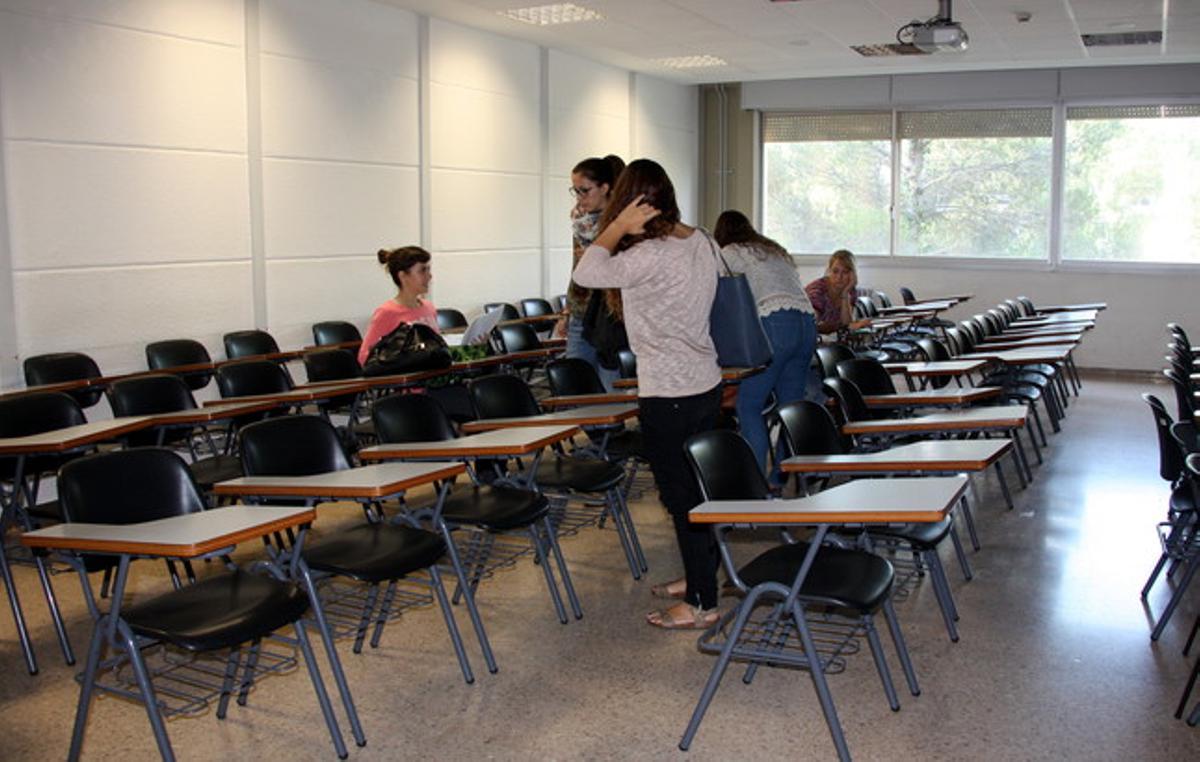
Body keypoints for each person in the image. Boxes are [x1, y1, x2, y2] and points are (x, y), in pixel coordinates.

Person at [573, 158, 723, 630]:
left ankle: (701, 602)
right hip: (704, 382)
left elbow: (587, 274)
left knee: (683, 497)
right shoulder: (697, 239)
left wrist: (615, 226)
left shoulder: (649, 253)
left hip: (669, 390)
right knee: (698, 489)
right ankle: (702, 575)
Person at [713, 210, 818, 481]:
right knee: (789, 407)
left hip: (775, 324)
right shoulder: (772, 250)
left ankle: (755, 483)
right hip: (806, 323)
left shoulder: (730, 251)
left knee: (748, 406)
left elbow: (716, 294)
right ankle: (780, 478)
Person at [558, 155, 626, 390]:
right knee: (576, 385)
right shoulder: (581, 223)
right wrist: (566, 311)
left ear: (605, 188)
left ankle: (611, 428)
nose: (579, 198)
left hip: (609, 316)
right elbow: (576, 269)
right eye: (575, 191)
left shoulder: (621, 225)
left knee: (610, 386)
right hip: (580, 311)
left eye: (584, 191)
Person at [358, 246, 438, 366]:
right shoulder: (387, 313)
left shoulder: (429, 308)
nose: (429, 276)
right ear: (403, 276)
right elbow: (364, 357)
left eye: (428, 269)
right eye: (422, 271)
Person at [805, 249, 872, 335]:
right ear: (829, 271)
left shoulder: (849, 290)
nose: (839, 277)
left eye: (845, 272)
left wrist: (845, 294)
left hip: (832, 340)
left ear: (852, 274)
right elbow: (811, 325)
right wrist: (850, 326)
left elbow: (846, 323)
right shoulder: (817, 290)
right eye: (835, 271)